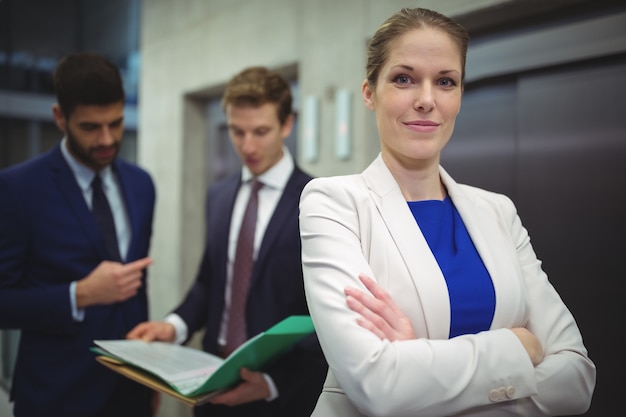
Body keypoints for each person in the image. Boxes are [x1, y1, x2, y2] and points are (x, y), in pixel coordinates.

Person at [299, 7, 596, 417]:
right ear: (370, 92)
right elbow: (378, 386)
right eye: (404, 79)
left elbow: (576, 379)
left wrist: (420, 363)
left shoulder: (498, 211)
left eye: (445, 82)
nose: (426, 100)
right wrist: (519, 348)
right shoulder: (334, 203)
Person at [127, 66, 327, 417]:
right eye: (237, 131)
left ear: (287, 124)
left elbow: (329, 316)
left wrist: (272, 383)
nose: (247, 146)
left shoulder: (318, 201)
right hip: (211, 388)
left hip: (281, 396)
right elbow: (210, 283)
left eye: (261, 131)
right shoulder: (219, 196)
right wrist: (172, 327)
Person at [0, 52, 156, 417]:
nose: (106, 138)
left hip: (130, 389)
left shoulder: (141, 184)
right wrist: (78, 295)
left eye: (116, 123)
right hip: (55, 395)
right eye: (90, 127)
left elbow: (136, 287)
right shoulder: (17, 189)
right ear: (60, 118)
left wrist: (148, 377)